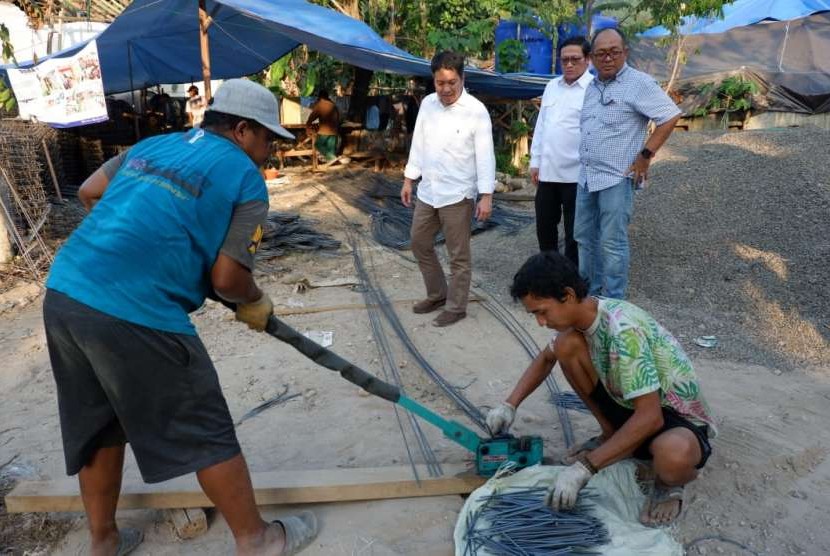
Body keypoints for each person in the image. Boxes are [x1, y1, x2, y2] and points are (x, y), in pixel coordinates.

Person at [44, 79, 319, 556]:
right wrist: (254, 301)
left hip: (66, 291)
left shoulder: (156, 144)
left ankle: (103, 542)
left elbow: (91, 192)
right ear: (241, 129)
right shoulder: (245, 177)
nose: (270, 151)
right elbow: (229, 280)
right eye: (268, 139)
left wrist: (136, 245)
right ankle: (257, 540)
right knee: (205, 425)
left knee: (100, 423)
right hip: (138, 311)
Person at [487, 252, 716, 527]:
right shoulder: (584, 317)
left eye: (542, 312)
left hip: (672, 418)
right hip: (631, 405)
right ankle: (612, 436)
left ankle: (671, 485)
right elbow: (546, 358)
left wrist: (584, 469)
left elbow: (651, 417)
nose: (540, 322)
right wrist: (509, 404)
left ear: (568, 295)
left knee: (673, 454)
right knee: (564, 346)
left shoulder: (623, 332)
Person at [576, 27, 682, 299]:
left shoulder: (639, 83)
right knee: (584, 238)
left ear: (625, 52)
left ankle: (613, 303)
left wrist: (645, 155)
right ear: (592, 57)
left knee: (612, 243)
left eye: (614, 52)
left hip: (616, 177)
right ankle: (590, 296)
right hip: (587, 176)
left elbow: (669, 116)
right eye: (601, 53)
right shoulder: (591, 85)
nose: (607, 58)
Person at [400, 50, 496, 327]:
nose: (445, 89)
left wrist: (486, 196)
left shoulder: (476, 111)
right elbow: (419, 143)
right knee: (419, 243)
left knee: (458, 255)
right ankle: (437, 294)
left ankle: (456, 306)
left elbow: (485, 155)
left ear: (462, 78)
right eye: (440, 83)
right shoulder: (428, 104)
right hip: (429, 191)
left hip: (458, 194)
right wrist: (409, 179)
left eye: (451, 82)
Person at [530, 36, 593, 264]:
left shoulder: (593, 89)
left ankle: (571, 281)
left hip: (577, 176)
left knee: (575, 233)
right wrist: (534, 162)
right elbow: (541, 126)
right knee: (544, 226)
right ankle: (549, 274)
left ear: (587, 60)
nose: (568, 64)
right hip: (548, 172)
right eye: (564, 59)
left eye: (575, 59)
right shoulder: (551, 86)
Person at [306, 89, 340, 162]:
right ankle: (332, 162)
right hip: (334, 131)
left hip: (324, 132)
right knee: (331, 150)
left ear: (320, 97)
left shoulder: (320, 105)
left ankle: (332, 158)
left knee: (318, 145)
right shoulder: (333, 105)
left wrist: (308, 125)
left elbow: (312, 117)